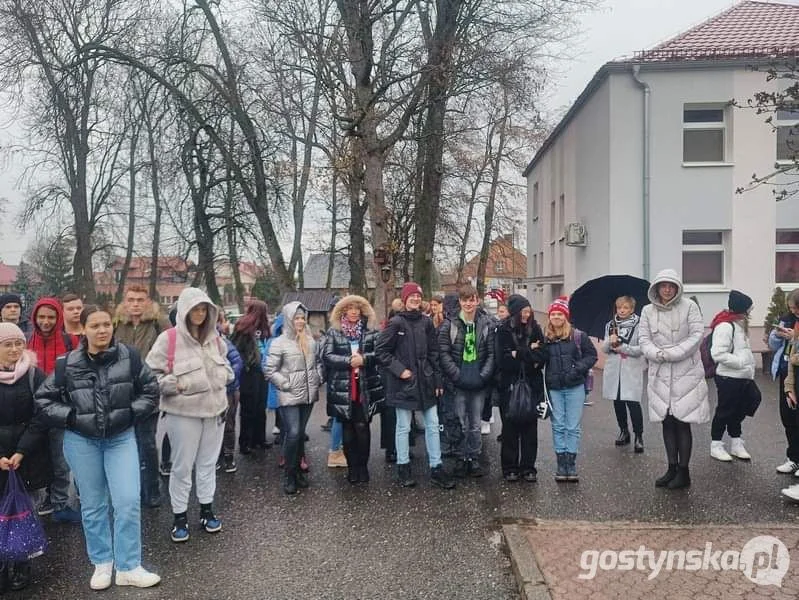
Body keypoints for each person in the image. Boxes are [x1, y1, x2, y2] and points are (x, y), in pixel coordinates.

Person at [34, 305, 161, 590]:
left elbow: (151, 390)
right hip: (82, 441)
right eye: (95, 326)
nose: (102, 330)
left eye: (106, 324)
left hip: (120, 439)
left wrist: (129, 413)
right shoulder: (67, 363)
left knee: (127, 501)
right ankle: (102, 563)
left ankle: (129, 566)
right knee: (93, 504)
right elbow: (43, 399)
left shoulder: (130, 357)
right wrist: (70, 417)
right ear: (84, 329)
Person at [146, 288, 233, 542]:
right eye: (195, 309)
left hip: (215, 411)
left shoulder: (216, 339)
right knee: (182, 466)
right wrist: (177, 385)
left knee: (207, 464)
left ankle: (207, 510)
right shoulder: (168, 339)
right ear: (184, 311)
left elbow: (226, 364)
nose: (199, 314)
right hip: (182, 413)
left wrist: (226, 376)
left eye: (204, 309)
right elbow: (151, 376)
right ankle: (180, 516)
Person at [375, 282, 455, 489]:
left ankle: (436, 467)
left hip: (426, 381)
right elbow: (381, 351)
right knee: (403, 426)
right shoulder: (395, 323)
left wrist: (437, 379)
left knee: (433, 423)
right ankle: (403, 466)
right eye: (412, 296)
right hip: (404, 383)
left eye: (418, 297)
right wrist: (399, 369)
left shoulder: (426, 322)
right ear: (404, 299)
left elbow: (434, 353)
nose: (416, 299)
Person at [638, 269, 709, 490]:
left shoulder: (690, 307)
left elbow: (697, 336)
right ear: (657, 288)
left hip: (685, 372)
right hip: (659, 372)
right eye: (663, 286)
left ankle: (684, 472)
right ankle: (671, 467)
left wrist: (673, 353)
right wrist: (657, 354)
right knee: (666, 422)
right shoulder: (647, 310)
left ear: (677, 288)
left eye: (671, 286)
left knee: (682, 422)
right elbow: (643, 339)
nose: (667, 290)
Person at [0, 323, 51, 592]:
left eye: (18, 343)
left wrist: (21, 450)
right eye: (6, 344)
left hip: (27, 458)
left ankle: (21, 562)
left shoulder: (34, 375)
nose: (13, 349)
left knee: (25, 511)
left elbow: (42, 417)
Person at [114, 285, 169, 508]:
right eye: (131, 299)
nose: (135, 304)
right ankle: (131, 489)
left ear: (148, 301)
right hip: (122, 391)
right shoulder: (117, 325)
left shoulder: (158, 324)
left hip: (149, 390)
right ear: (124, 302)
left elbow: (170, 350)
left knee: (147, 443)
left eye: (140, 299)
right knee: (126, 444)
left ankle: (152, 487)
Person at [26, 297, 81, 523]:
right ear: (35, 318)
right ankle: (43, 499)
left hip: (60, 409)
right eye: (41, 317)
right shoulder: (26, 342)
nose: (46, 322)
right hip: (34, 412)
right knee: (39, 459)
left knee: (60, 460)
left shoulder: (71, 341)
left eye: (50, 317)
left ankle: (60, 503)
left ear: (58, 318)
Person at [323, 295, 385, 483]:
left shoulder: (371, 331)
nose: (353, 311)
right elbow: (327, 356)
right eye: (349, 308)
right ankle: (352, 468)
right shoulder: (334, 332)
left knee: (362, 426)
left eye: (357, 308)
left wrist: (364, 359)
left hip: (365, 386)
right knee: (347, 428)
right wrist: (348, 361)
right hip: (343, 387)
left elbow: (381, 353)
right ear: (343, 311)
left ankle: (363, 467)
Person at [265, 301, 322, 495]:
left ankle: (298, 472)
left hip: (308, 395)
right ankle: (289, 475)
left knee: (300, 434)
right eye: (296, 318)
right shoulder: (279, 343)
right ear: (289, 319)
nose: (299, 321)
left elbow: (318, 363)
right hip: (289, 394)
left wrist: (318, 378)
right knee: (294, 432)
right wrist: (285, 384)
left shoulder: (310, 341)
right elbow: (270, 370)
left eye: (302, 318)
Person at [438, 284, 495, 478]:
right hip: (458, 382)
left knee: (476, 424)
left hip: (478, 380)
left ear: (477, 300)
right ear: (460, 302)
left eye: (472, 300)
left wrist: (483, 376)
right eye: (465, 300)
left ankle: (474, 457)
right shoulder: (450, 324)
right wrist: (456, 375)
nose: (469, 303)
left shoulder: (487, 323)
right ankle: (461, 457)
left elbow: (491, 354)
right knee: (460, 422)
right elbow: (443, 353)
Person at [543, 296, 597, 482]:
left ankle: (571, 464)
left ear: (565, 316)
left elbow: (592, 356)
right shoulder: (545, 338)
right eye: (553, 314)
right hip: (555, 388)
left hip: (574, 387)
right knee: (558, 426)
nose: (556, 317)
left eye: (560, 314)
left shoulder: (578, 336)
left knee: (572, 426)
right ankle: (561, 463)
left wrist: (577, 369)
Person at [496, 295, 546, 482]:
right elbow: (504, 360)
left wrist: (519, 353)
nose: (527, 315)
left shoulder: (536, 329)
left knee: (530, 429)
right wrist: (528, 353)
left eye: (528, 311)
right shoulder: (503, 330)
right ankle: (510, 467)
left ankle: (528, 467)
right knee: (509, 428)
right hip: (509, 385)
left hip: (531, 385)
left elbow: (542, 355)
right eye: (523, 312)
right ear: (516, 312)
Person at [709, 290, 758, 462]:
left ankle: (736, 442)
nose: (750, 312)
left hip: (743, 376)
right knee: (724, 411)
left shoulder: (739, 323)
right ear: (741, 309)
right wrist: (740, 363)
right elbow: (718, 354)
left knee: (750, 401)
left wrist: (746, 367)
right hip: (728, 377)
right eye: (748, 309)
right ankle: (716, 444)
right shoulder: (725, 326)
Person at [601, 296, 645, 453]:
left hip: (630, 368)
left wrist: (622, 347)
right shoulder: (610, 325)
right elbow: (605, 349)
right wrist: (609, 342)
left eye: (625, 308)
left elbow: (641, 349)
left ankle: (639, 436)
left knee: (632, 402)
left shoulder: (640, 325)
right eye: (619, 307)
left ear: (632, 309)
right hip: (614, 369)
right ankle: (624, 431)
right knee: (617, 402)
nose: (622, 310)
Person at [230, 300, 271, 455]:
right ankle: (245, 442)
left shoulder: (264, 329)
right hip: (249, 373)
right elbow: (235, 350)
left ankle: (259, 439)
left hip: (262, 372)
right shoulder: (243, 329)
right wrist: (247, 363)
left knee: (261, 407)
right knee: (249, 408)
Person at [768, 289, 799, 475]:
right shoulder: (786, 319)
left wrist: (794, 337)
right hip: (785, 373)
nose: (794, 311)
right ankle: (793, 458)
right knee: (788, 416)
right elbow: (773, 345)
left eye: (796, 308)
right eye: (792, 308)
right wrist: (777, 334)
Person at [216, 309, 243, 473]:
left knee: (228, 424)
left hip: (228, 390)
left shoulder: (224, 342)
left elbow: (237, 362)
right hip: (212, 391)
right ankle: (216, 455)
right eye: (223, 320)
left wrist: (226, 378)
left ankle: (228, 455)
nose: (226, 324)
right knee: (213, 425)